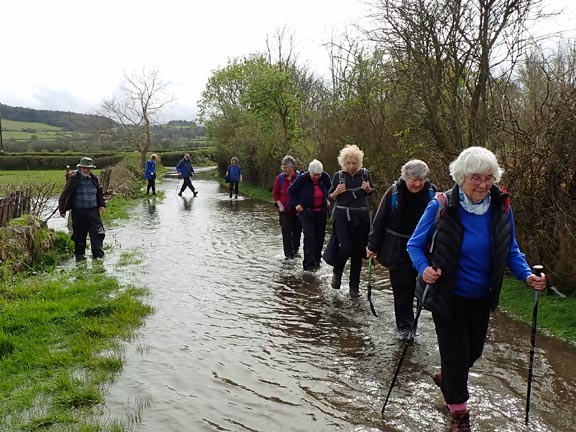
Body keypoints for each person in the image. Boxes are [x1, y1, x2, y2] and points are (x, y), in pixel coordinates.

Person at [406, 146, 547, 431]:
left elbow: (512, 250)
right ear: (461, 177)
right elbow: (414, 245)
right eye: (476, 178)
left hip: (482, 296)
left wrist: (527, 276)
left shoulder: (501, 206)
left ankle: (447, 377)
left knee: (472, 353)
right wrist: (425, 269)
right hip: (448, 296)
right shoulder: (442, 205)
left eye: (488, 177)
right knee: (456, 355)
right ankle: (459, 415)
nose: (483, 184)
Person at [366, 159, 436, 339]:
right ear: (405, 178)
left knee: (422, 289)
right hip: (398, 250)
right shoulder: (394, 193)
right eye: (414, 179)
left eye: (421, 179)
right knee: (402, 289)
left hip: (424, 250)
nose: (418, 183)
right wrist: (373, 246)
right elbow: (379, 220)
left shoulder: (431, 193)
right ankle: (405, 329)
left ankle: (421, 322)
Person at [325, 145, 373, 297]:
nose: (351, 166)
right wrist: (336, 192)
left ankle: (354, 288)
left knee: (358, 253)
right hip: (342, 217)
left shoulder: (365, 174)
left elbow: (372, 192)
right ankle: (337, 272)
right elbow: (329, 197)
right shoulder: (339, 176)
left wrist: (368, 189)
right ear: (343, 163)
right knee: (345, 248)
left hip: (361, 217)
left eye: (354, 163)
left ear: (359, 163)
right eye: (348, 163)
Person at [58, 156, 106, 261]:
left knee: (98, 234)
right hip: (79, 212)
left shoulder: (94, 179)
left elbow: (99, 193)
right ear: (80, 168)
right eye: (84, 168)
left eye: (88, 168)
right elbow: (64, 194)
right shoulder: (73, 179)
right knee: (79, 236)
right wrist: (62, 210)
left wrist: (102, 205)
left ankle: (98, 256)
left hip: (93, 211)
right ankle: (80, 258)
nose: (86, 170)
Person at [288, 159, 331, 271]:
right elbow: (291, 191)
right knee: (310, 237)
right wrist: (297, 204)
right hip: (306, 212)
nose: (316, 177)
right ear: (310, 172)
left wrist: (326, 198)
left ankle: (317, 261)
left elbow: (330, 187)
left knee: (320, 237)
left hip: (321, 212)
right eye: (314, 175)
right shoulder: (303, 178)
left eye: (318, 175)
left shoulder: (324, 177)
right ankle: (308, 265)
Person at [272, 155, 302, 259]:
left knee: (297, 232)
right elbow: (275, 194)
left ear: (292, 168)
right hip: (284, 211)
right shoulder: (280, 178)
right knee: (286, 232)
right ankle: (288, 256)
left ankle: (296, 250)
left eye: (286, 167)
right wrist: (280, 205)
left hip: (297, 211)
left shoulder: (300, 178)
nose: (284, 169)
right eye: (283, 167)